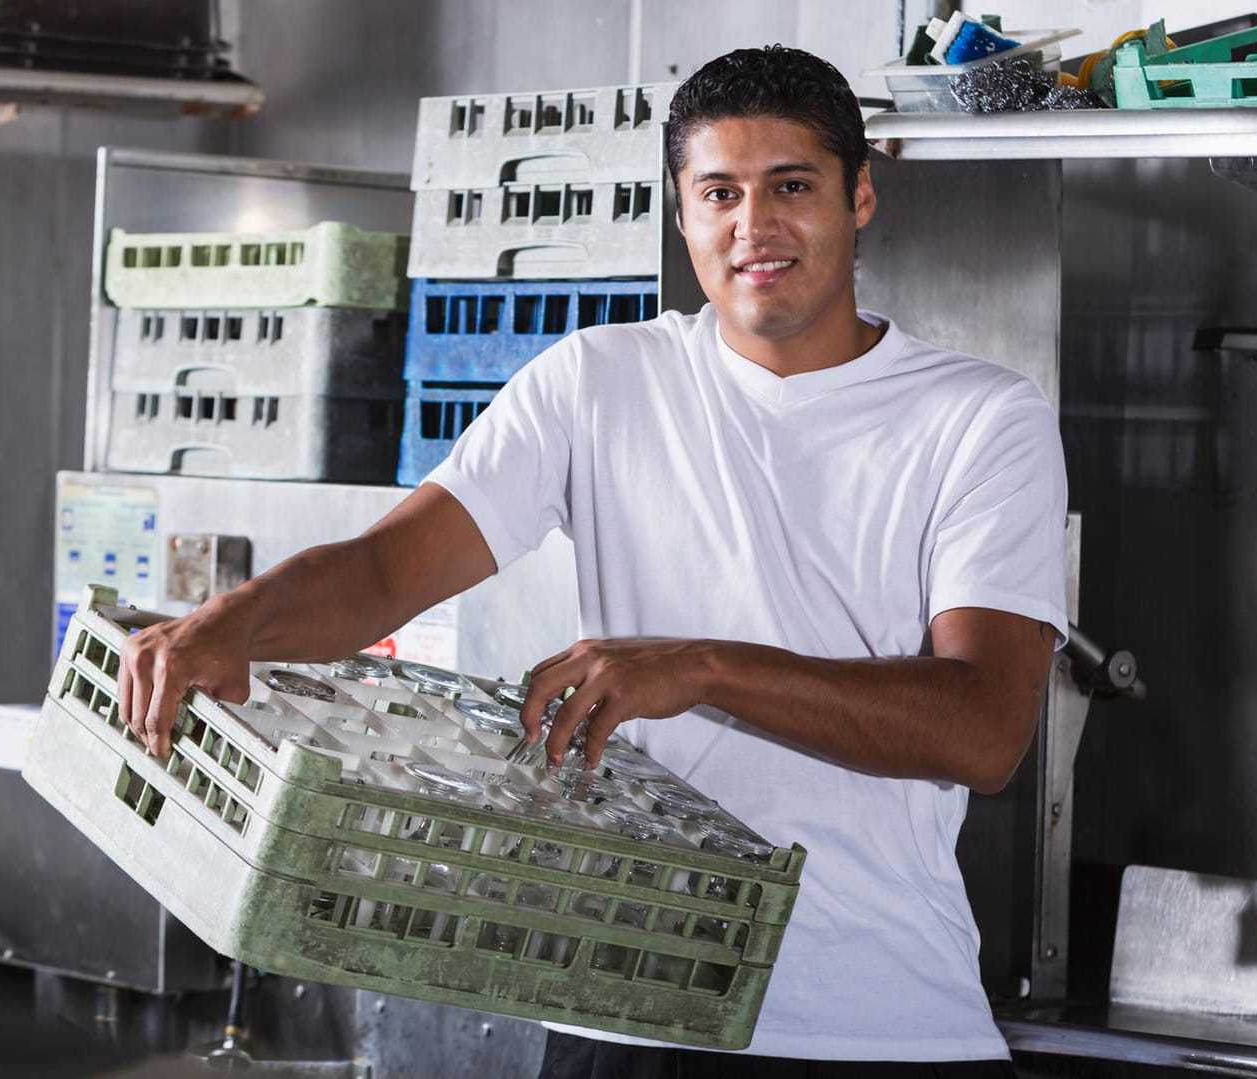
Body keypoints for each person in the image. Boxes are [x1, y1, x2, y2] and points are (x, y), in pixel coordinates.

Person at [119, 45, 1065, 1079]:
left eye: (791, 186)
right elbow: (390, 571)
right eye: (720, 193)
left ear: (860, 196)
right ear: (681, 213)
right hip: (625, 1010)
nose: (755, 226)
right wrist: (234, 619)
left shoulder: (980, 418)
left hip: (874, 1025)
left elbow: (982, 728)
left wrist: (701, 666)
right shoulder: (599, 381)